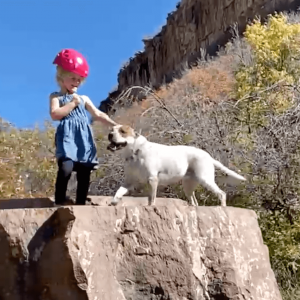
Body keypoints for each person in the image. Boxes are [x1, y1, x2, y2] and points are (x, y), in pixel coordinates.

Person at [49, 48, 118, 206]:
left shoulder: (84, 98)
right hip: (67, 138)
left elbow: (98, 114)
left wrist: (115, 125)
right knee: (66, 167)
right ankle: (60, 199)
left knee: (84, 171)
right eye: (72, 78)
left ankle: (81, 203)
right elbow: (55, 114)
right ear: (61, 77)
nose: (76, 82)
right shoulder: (56, 96)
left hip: (83, 139)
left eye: (79, 79)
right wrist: (72, 104)